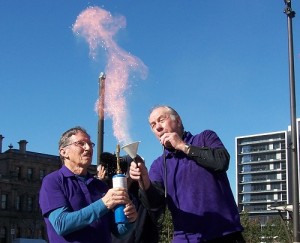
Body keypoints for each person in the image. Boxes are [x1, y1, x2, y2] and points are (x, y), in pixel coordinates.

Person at [129, 105, 245, 243]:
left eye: (161, 120)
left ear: (178, 121)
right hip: (184, 238)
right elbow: (154, 205)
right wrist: (144, 181)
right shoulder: (159, 165)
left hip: (224, 233)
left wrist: (182, 146)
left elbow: (222, 161)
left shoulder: (205, 138)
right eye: (153, 125)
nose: (158, 127)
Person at [39, 126, 137, 243]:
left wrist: (130, 219)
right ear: (64, 152)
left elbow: (118, 232)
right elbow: (61, 224)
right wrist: (103, 203)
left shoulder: (100, 186)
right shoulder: (53, 181)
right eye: (81, 143)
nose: (88, 148)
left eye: (91, 144)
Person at [98, 152, 160, 243]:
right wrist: (100, 184)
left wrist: (142, 178)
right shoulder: (108, 193)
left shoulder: (144, 193)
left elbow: (155, 205)